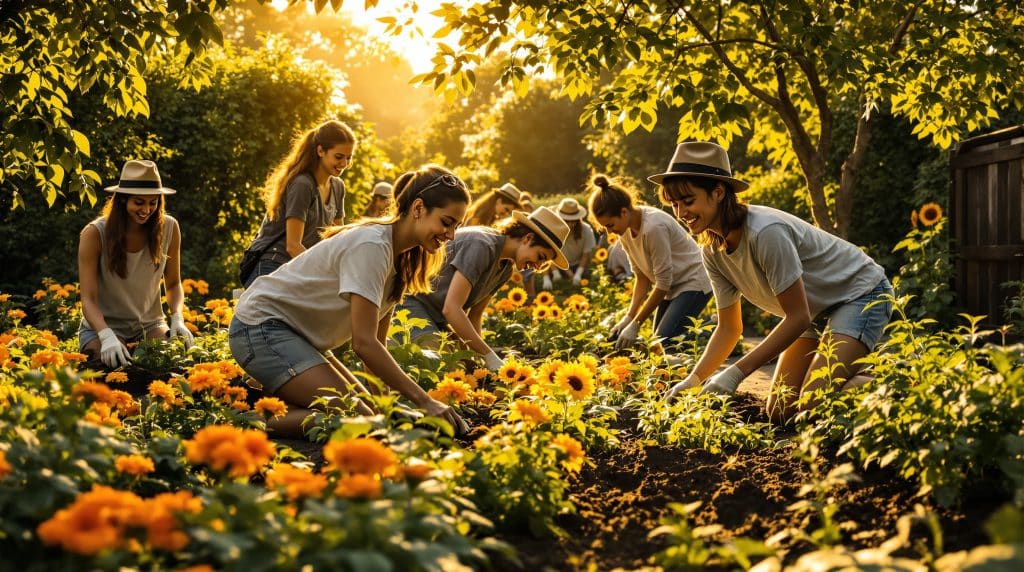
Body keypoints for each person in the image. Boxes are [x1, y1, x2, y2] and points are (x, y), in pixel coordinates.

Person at [656, 142, 893, 421]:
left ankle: (890, 386)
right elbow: (729, 328)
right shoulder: (712, 252)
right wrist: (694, 379)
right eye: (673, 204)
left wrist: (736, 373)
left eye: (688, 201)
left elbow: (797, 316)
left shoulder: (766, 232)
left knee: (811, 408)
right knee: (781, 411)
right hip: (814, 311)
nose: (681, 213)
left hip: (860, 295)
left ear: (718, 193)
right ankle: (847, 373)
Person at [229, 165, 471, 437]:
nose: (450, 235)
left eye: (456, 227)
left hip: (296, 337)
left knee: (371, 414)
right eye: (447, 222)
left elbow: (376, 345)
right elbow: (363, 343)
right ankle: (242, 420)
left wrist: (385, 407)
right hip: (260, 327)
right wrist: (424, 401)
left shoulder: (400, 258)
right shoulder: (372, 246)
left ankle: (261, 399)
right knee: (356, 420)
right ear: (417, 208)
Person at [399, 207, 570, 368]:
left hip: (436, 317)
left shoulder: (505, 270)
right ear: (528, 238)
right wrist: (489, 356)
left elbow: (475, 316)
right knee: (443, 367)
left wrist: (480, 359)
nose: (538, 266)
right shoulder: (482, 245)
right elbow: (451, 309)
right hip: (410, 303)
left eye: (543, 263)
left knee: (465, 366)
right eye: (540, 257)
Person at [78, 160, 194, 368]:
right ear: (122, 200)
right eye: (139, 202)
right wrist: (106, 336)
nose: (147, 209)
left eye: (153, 202)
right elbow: (88, 299)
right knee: (110, 369)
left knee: (172, 364)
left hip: (150, 326)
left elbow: (174, 284)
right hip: (103, 327)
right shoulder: (94, 233)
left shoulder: (169, 228)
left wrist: (177, 317)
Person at [587, 174, 713, 353]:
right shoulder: (625, 232)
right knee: (657, 341)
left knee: (665, 342)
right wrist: (628, 318)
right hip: (672, 286)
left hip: (694, 281)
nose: (609, 232)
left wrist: (636, 323)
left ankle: (715, 328)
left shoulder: (654, 227)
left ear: (624, 212)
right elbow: (642, 278)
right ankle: (697, 337)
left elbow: (663, 283)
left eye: (610, 225)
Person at [241, 120, 355, 287]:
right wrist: (323, 274)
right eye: (338, 157)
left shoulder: (337, 187)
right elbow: (293, 245)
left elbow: (337, 240)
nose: (344, 164)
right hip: (272, 265)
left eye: (348, 157)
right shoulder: (303, 184)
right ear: (320, 151)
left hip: (298, 266)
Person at [543, 198, 596, 289]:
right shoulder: (552, 229)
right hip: (555, 265)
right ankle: (547, 278)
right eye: (567, 220)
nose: (570, 224)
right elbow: (548, 253)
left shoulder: (586, 230)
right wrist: (552, 275)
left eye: (574, 221)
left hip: (577, 264)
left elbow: (585, 254)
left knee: (587, 278)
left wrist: (578, 274)